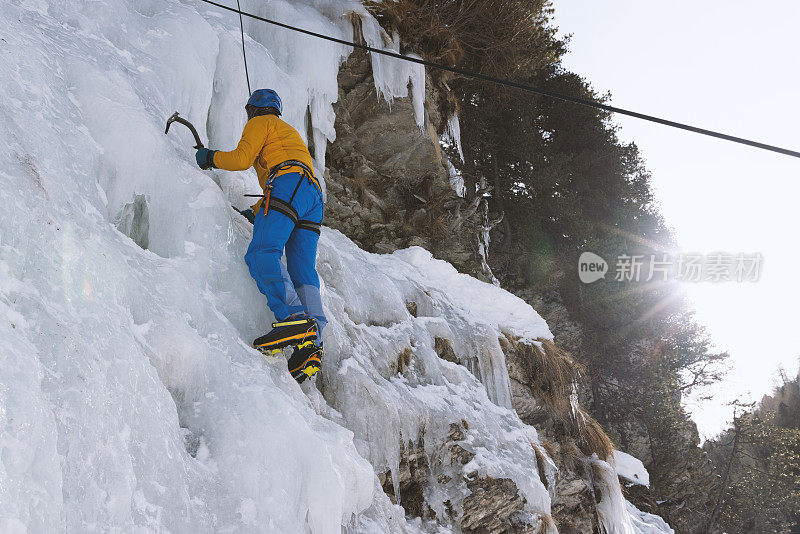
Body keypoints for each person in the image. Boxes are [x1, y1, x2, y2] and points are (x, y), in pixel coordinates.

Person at [195, 89, 325, 383]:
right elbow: (281, 187)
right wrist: (257, 211)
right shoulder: (287, 132)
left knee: (261, 252)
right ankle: (313, 340)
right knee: (302, 270)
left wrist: (210, 157)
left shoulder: (260, 122)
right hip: (312, 196)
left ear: (253, 109)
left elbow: (242, 159)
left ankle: (293, 320)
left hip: (289, 183)